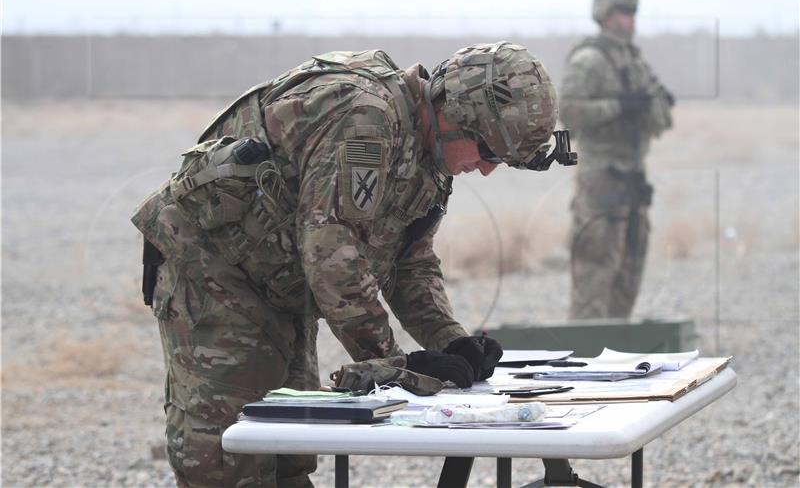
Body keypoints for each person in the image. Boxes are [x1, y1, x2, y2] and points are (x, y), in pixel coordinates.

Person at [132, 41, 567, 487]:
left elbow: (410, 258)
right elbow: (331, 251)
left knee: (288, 446)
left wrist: (450, 341)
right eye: (489, 153)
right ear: (454, 115)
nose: (487, 169)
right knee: (230, 456)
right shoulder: (365, 118)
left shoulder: (427, 150)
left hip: (277, 277)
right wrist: (392, 365)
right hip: (214, 270)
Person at [560, 0, 675, 320]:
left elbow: (659, 114)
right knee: (595, 268)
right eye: (623, 12)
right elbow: (568, 111)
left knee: (629, 266)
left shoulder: (635, 60)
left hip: (633, 174)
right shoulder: (589, 60)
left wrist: (653, 107)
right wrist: (618, 106)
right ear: (606, 16)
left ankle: (615, 345)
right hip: (601, 177)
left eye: (633, 12)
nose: (629, 20)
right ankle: (585, 353)